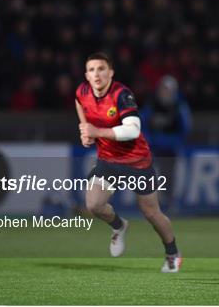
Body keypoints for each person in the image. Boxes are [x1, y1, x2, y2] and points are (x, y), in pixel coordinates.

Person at [75, 52, 182, 273]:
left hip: (137, 162)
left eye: (101, 68)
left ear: (111, 73)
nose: (97, 73)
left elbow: (133, 130)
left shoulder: (122, 95)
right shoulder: (82, 91)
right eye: (92, 69)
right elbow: (79, 104)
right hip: (108, 160)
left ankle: (172, 252)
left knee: (152, 213)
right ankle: (119, 225)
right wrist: (84, 130)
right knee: (93, 204)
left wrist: (97, 131)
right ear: (86, 74)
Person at [141, 75, 192, 209]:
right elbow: (143, 124)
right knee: (150, 176)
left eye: (168, 90)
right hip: (153, 148)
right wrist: (149, 141)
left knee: (170, 177)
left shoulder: (178, 106)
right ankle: (151, 204)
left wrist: (175, 143)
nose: (165, 92)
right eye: (163, 89)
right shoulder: (152, 104)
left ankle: (170, 203)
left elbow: (185, 128)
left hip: (170, 149)